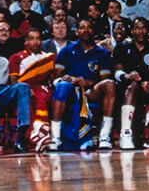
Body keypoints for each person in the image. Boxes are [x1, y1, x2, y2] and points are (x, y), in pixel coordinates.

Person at [48, 18, 116, 151]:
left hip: (91, 91)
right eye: (82, 27)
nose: (86, 30)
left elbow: (105, 78)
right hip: (70, 90)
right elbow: (55, 80)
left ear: (94, 31)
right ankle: (55, 138)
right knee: (61, 86)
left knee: (110, 84)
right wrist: (65, 79)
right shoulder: (66, 51)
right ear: (77, 32)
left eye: (89, 27)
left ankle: (104, 136)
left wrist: (87, 82)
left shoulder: (102, 53)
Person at [112, 17, 149, 150]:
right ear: (132, 31)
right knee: (133, 84)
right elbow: (116, 71)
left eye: (144, 28)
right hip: (127, 88)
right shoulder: (122, 47)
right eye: (137, 28)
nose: (141, 31)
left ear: (148, 31)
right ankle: (125, 134)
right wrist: (126, 76)